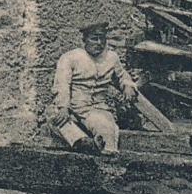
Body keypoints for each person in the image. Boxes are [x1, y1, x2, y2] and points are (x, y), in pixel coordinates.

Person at [49, 20, 139, 154]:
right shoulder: (70, 57)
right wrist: (63, 108)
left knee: (107, 133)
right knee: (54, 116)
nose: (99, 43)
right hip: (73, 107)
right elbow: (62, 84)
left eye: (102, 38)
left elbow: (122, 76)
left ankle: (99, 152)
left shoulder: (111, 57)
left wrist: (128, 86)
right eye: (94, 38)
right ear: (85, 40)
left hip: (97, 110)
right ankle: (84, 143)